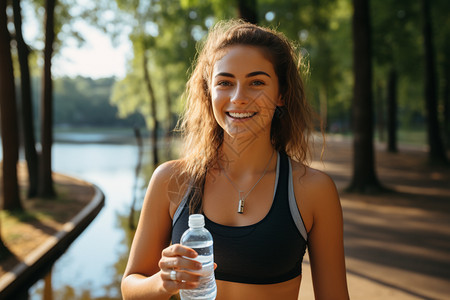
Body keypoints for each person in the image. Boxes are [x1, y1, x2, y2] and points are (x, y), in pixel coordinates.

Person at [121, 19, 349, 300]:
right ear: (209, 92)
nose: (239, 98)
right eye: (225, 83)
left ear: (281, 95)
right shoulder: (171, 180)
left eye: (256, 82)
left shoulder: (312, 189)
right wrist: (163, 282)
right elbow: (130, 287)